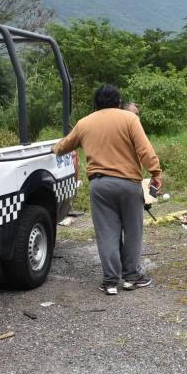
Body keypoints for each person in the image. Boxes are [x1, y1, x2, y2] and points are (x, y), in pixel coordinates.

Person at [53, 85, 162, 295]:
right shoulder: (129, 119)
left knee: (107, 233)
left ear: (96, 103)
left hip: (100, 185)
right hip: (129, 184)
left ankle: (110, 282)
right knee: (133, 231)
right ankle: (131, 277)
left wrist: (53, 149)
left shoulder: (84, 122)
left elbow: (65, 145)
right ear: (118, 102)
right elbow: (145, 149)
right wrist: (155, 172)